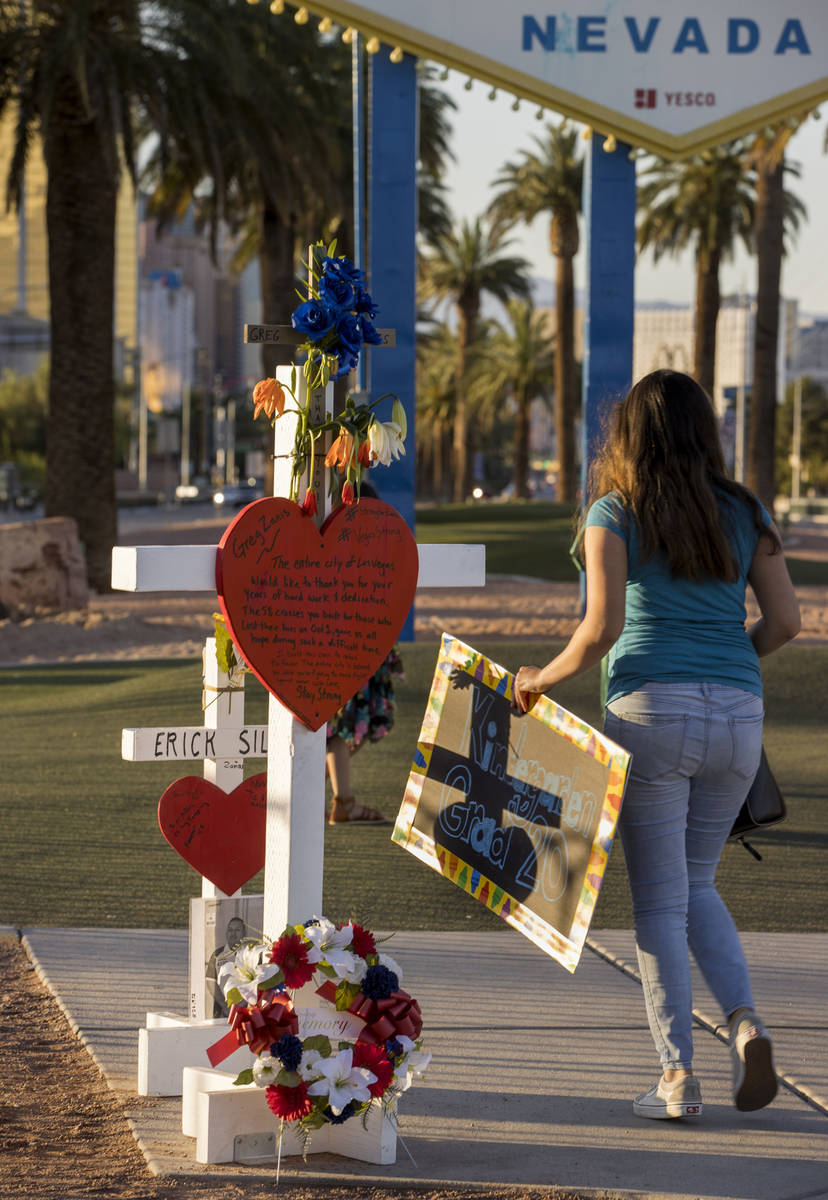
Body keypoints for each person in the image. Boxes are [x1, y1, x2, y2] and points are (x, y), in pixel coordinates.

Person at [513, 370, 800, 1121]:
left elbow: (602, 629)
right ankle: (745, 1024)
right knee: (699, 885)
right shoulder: (745, 511)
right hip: (740, 712)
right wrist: (726, 663)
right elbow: (787, 623)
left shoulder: (617, 511)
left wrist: (539, 678)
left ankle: (677, 1077)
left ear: (628, 434)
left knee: (661, 906)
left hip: (650, 711)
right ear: (706, 431)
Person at [326, 480, 404, 825]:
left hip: (357, 640)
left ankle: (337, 796)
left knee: (344, 725)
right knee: (341, 724)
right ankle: (342, 800)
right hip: (350, 643)